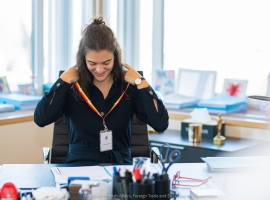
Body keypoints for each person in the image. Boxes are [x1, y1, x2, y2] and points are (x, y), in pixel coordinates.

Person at [34, 16, 169, 164]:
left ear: (115, 57)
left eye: (106, 62)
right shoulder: (71, 85)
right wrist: (63, 81)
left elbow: (160, 124)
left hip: (119, 168)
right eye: (92, 63)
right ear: (83, 59)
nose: (99, 70)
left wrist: (141, 83)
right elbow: (41, 119)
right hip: (79, 165)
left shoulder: (129, 85)